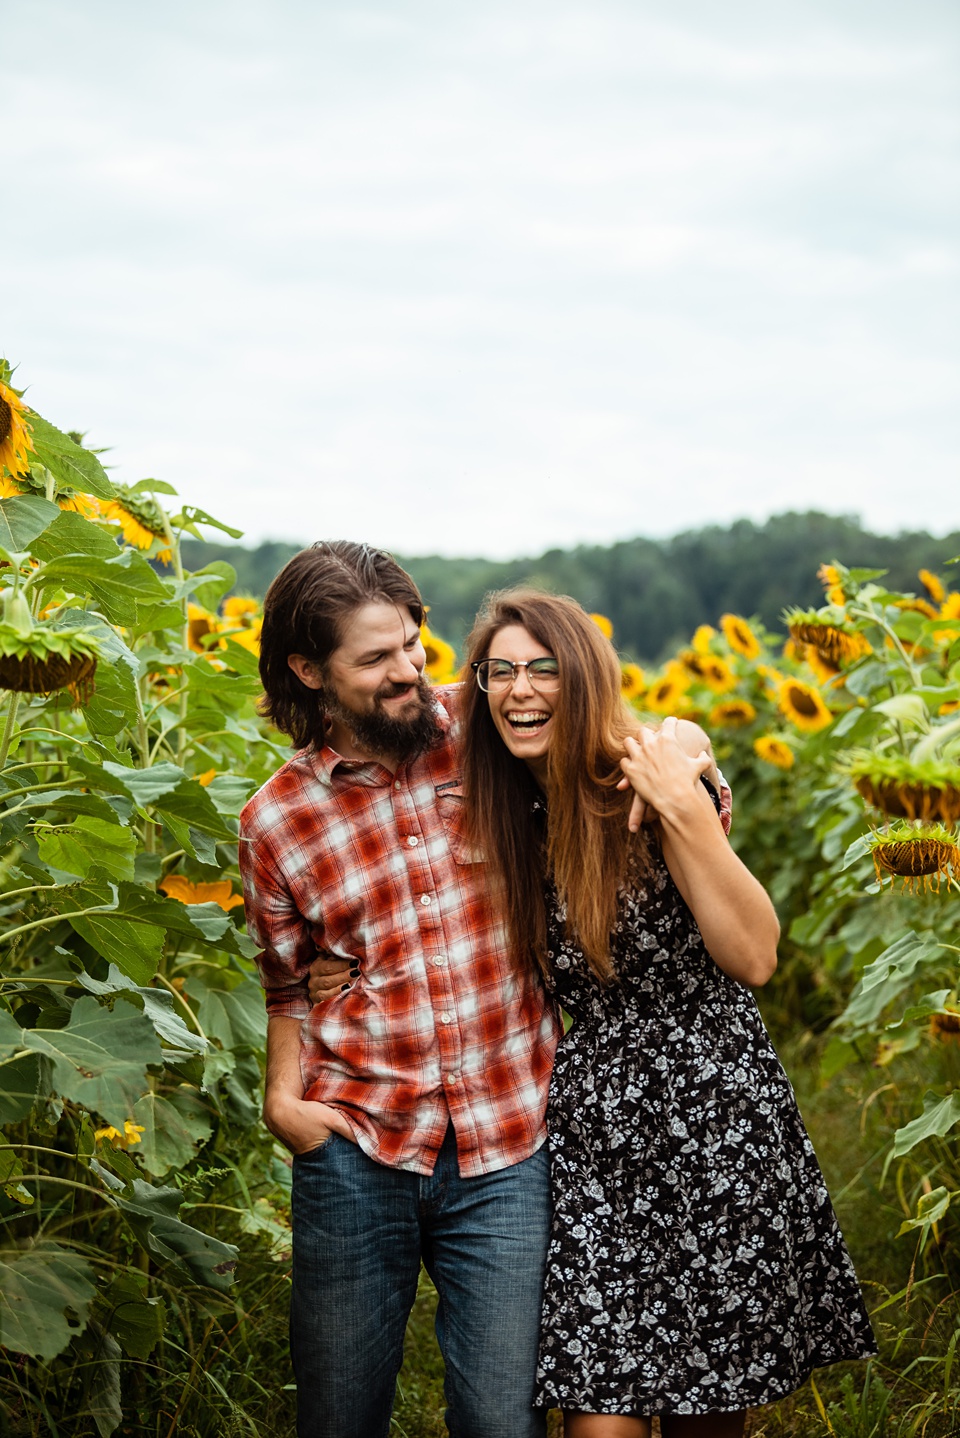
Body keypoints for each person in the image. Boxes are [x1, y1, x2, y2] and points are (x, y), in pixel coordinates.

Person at [453, 588, 877, 1438]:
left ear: (585, 679)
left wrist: (683, 798)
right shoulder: (510, 808)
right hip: (599, 1130)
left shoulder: (650, 781)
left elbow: (754, 954)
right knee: (599, 1420)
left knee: (704, 1412)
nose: (520, 690)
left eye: (544, 669)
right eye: (499, 672)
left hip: (710, 1108)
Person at [238, 542, 561, 1438]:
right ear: (310, 670)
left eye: (413, 645)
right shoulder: (274, 822)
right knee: (341, 1414)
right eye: (376, 658)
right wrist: (281, 1100)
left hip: (508, 1135)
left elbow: (629, 745)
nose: (409, 671)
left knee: (504, 1420)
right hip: (353, 1146)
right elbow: (287, 986)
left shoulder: (488, 729)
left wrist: (686, 746)